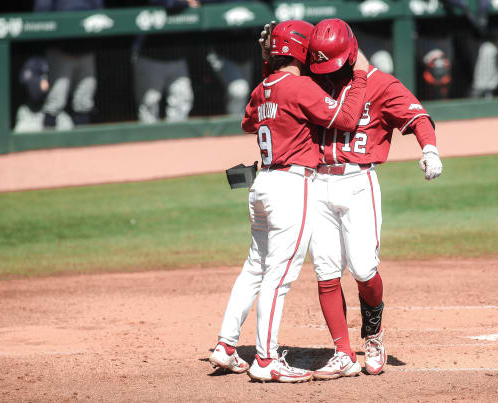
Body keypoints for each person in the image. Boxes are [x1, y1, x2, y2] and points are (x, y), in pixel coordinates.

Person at [208, 19, 370, 383]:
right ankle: (265, 359)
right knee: (278, 276)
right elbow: (346, 118)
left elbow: (249, 123)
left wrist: (269, 68)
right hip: (290, 187)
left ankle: (226, 346)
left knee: (255, 267)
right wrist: (360, 77)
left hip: (262, 185)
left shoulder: (263, 87)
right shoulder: (300, 87)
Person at [302, 18, 443, 379]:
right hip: (316, 183)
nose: (327, 73)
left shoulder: (380, 83)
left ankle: (374, 334)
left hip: (357, 183)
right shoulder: (311, 81)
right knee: (326, 272)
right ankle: (343, 352)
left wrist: (429, 150)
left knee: (364, 270)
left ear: (350, 54)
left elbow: (417, 116)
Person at [34, 0, 102, 128]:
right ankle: (48, 142)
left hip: (86, 47)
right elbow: (41, 13)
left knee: (85, 98)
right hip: (61, 49)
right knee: (56, 98)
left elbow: (100, 10)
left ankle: (83, 142)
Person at [133, 0, 195, 123]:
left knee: (182, 99)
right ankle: (149, 140)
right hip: (149, 54)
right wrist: (186, 3)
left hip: (177, 55)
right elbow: (166, 3)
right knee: (149, 100)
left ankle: (178, 138)